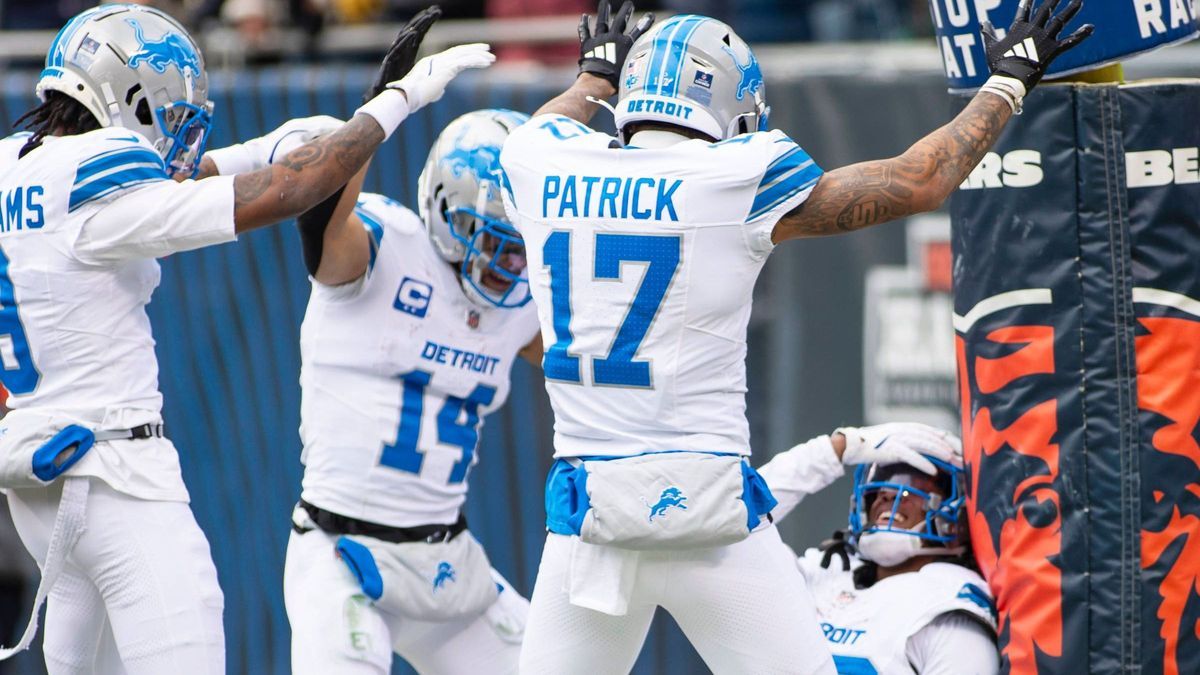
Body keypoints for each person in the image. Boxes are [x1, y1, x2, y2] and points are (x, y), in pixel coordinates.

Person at [497, 0, 1091, 671]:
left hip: (591, 520)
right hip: (711, 519)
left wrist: (592, 80)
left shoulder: (540, 159)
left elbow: (550, 126)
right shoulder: (734, 176)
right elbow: (922, 178)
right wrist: (1007, 82)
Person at [0, 3, 492, 673]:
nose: (180, 134)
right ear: (133, 96)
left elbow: (151, 200)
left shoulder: (17, 165)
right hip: (119, 480)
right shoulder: (97, 172)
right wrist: (395, 103)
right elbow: (294, 190)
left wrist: (267, 147)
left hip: (39, 478)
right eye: (171, 112)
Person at [758, 423, 999, 675]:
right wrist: (830, 452)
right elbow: (726, 527)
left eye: (911, 482)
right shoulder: (820, 573)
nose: (887, 493)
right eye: (882, 483)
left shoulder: (948, 611)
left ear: (957, 513)